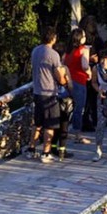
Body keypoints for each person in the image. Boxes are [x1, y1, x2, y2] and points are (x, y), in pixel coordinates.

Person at [28, 25, 68, 162]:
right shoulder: (53, 55)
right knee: (50, 124)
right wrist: (65, 79)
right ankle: (46, 152)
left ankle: (31, 148)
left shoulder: (35, 51)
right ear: (53, 38)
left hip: (37, 91)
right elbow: (59, 76)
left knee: (37, 123)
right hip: (49, 92)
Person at [64, 27, 92, 145]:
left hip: (68, 81)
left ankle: (66, 131)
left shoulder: (68, 51)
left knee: (68, 107)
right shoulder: (83, 49)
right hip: (80, 81)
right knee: (79, 108)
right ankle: (78, 134)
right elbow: (84, 65)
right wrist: (89, 72)